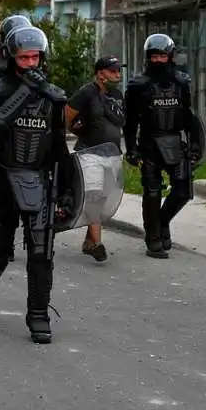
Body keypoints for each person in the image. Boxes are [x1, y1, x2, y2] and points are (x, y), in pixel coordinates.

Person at [0, 26, 75, 345]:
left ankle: (38, 314)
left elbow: (59, 145)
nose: (31, 63)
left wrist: (69, 190)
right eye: (24, 57)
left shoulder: (53, 96)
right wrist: (24, 93)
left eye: (35, 57)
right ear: (12, 58)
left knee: (41, 252)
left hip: (40, 180)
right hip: (3, 178)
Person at [123, 34, 202, 259]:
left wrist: (195, 146)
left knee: (183, 190)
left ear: (170, 57)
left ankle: (162, 221)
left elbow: (190, 117)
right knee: (152, 191)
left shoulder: (182, 82)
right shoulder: (138, 85)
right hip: (149, 143)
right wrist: (131, 149)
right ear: (148, 58)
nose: (158, 60)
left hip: (175, 141)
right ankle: (153, 238)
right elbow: (130, 122)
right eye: (154, 56)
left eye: (162, 56)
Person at [66, 56, 126, 262]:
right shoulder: (86, 93)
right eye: (113, 70)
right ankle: (98, 244)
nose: (118, 74)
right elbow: (67, 116)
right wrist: (78, 128)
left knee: (105, 199)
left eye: (119, 70)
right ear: (101, 74)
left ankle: (89, 242)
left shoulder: (117, 95)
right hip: (90, 153)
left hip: (113, 154)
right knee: (94, 195)